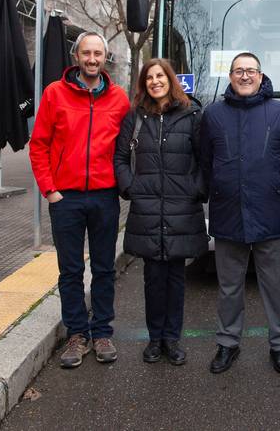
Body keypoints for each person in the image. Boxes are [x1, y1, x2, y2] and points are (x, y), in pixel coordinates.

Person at [29, 32, 130, 369]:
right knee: (70, 271)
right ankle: (77, 334)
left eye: (98, 53)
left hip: (104, 197)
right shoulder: (54, 94)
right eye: (86, 53)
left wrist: (123, 185)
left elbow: (128, 147)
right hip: (66, 198)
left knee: (103, 268)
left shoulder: (119, 99)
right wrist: (50, 190)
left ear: (105, 58)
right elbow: (39, 144)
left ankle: (102, 331)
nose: (92, 59)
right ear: (77, 56)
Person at [199, 52, 280, 375]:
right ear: (230, 76)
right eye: (239, 71)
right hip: (227, 213)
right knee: (229, 287)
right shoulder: (213, 115)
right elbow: (205, 162)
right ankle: (228, 343)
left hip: (270, 213)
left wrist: (271, 186)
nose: (245, 76)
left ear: (261, 75)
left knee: (275, 286)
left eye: (251, 71)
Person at [113, 59, 208, 366]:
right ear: (144, 83)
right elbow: (120, 158)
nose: (155, 81)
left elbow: (205, 159)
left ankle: (172, 338)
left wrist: (196, 189)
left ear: (170, 80)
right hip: (148, 207)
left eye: (160, 76)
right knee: (153, 278)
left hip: (182, 207)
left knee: (176, 278)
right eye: (149, 77)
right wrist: (131, 188)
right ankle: (155, 339)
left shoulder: (192, 114)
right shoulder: (136, 116)